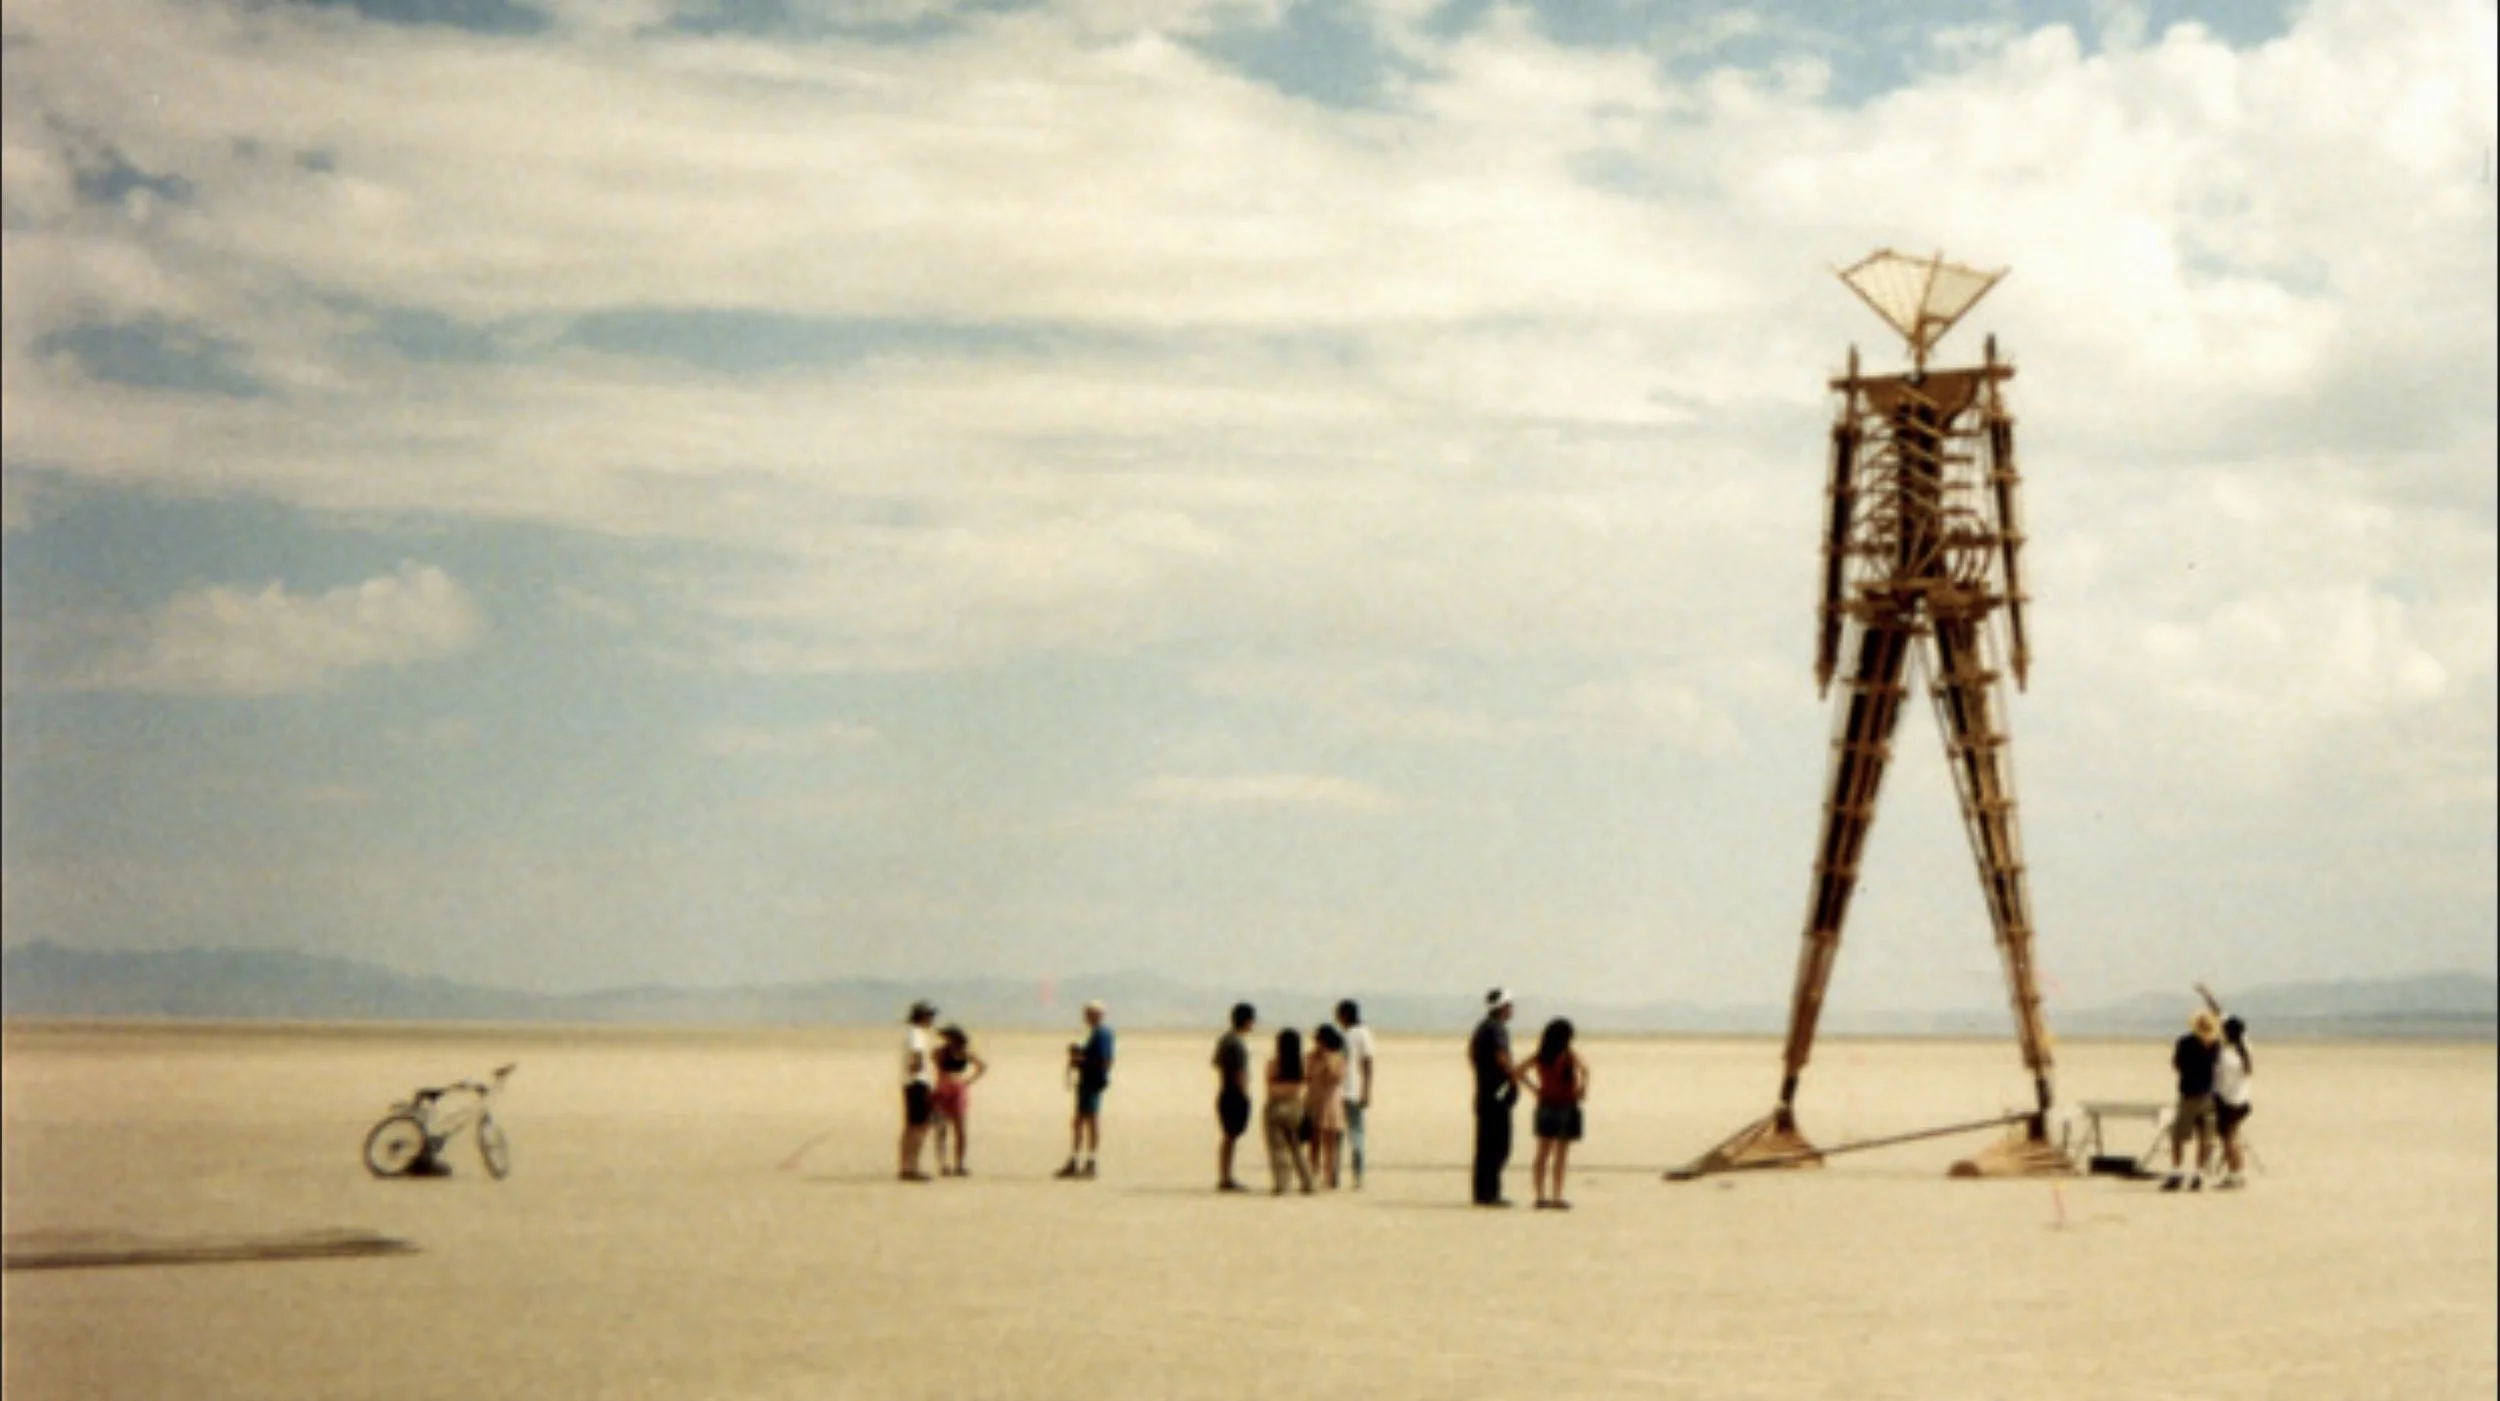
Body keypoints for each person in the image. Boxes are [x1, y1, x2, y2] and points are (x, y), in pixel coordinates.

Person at [1518, 1018, 1589, 1210]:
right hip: (1565, 1105)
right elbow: (1585, 1070)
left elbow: (1518, 1072)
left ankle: (1540, 1196)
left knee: (1542, 1153)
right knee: (1560, 1155)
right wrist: (1582, 1089)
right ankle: (1557, 1195)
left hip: (1546, 1104)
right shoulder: (1568, 1055)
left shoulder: (1541, 1056)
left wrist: (1535, 1089)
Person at [1467, 988, 1520, 1207]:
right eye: (1509, 1006)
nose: (1512, 1010)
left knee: (1485, 1145)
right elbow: (1501, 1057)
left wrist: (1481, 1075)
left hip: (1484, 1092)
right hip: (1496, 1095)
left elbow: (1470, 1054)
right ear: (1502, 1007)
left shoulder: (1482, 1028)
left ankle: (1483, 1192)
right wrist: (1511, 1077)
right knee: (1498, 1145)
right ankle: (1490, 1193)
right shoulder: (1496, 1029)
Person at [2199, 983, 2255, 1190]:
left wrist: (2206, 995)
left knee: (2229, 1140)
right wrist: (2207, 995)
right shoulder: (2245, 1047)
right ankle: (2237, 1172)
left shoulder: (2225, 1055)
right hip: (2243, 1100)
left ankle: (2235, 1174)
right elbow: (2220, 1013)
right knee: (2233, 1138)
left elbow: (2218, 1078)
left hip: (2229, 1102)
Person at [2164, 1007, 2222, 1191]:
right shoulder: (2214, 1044)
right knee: (2205, 1137)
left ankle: (2176, 1171)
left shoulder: (2185, 1042)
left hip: (2188, 1094)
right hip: (2207, 1094)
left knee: (2178, 1137)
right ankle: (2198, 1173)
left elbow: (2176, 1064)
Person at [1056, 1000, 1115, 1179]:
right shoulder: (1096, 1034)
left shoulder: (1102, 1034)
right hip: (1087, 1081)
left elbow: (1104, 1061)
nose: (1086, 1017)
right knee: (1079, 1121)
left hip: (1092, 1082)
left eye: (1089, 1014)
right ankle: (1075, 1160)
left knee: (1090, 1121)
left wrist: (1082, 1061)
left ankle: (1091, 1161)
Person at [1263, 1026, 1316, 1195]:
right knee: (1296, 1147)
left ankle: (1283, 1184)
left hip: (1276, 1106)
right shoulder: (1302, 1066)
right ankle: (1308, 1181)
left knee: (1278, 1149)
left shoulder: (1273, 1064)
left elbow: (1270, 1087)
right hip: (1295, 1106)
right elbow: (1303, 1087)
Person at [930, 1024, 988, 1177]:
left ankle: (959, 1164)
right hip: (943, 1089)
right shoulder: (940, 1052)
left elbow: (982, 1066)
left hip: (956, 1089)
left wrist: (968, 1081)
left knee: (959, 1129)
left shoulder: (964, 1052)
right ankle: (944, 1164)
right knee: (942, 1129)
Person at [1212, 1003, 1257, 1192]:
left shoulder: (1225, 1039)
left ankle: (1225, 1175)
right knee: (1231, 1136)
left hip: (1224, 1091)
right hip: (1234, 1094)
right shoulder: (1236, 1043)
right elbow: (1239, 1072)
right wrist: (1245, 1094)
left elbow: (1215, 1062)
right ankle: (1225, 1177)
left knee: (1229, 1137)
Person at [1334, 999, 1376, 1190]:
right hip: (1342, 1090)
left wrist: (1366, 1090)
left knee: (1353, 1134)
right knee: (1340, 1134)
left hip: (1352, 1090)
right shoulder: (1346, 1035)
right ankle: (1334, 1175)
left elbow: (1367, 1062)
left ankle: (1355, 1176)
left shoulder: (1360, 1034)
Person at [898, 1000, 938, 1183]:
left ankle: (906, 1165)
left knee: (911, 1127)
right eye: (930, 1015)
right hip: (918, 1083)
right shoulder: (916, 1034)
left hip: (911, 1083)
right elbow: (917, 1055)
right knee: (920, 1127)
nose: (932, 1019)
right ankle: (912, 1166)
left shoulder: (911, 1033)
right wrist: (917, 1066)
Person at [1306, 1024, 1349, 1189]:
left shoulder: (1338, 1058)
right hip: (1314, 1101)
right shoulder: (1310, 1057)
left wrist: (1326, 1059)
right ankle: (1312, 1174)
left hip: (1331, 1102)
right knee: (1314, 1142)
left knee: (1330, 1143)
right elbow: (1307, 1075)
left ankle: (1330, 1176)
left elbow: (1335, 1077)